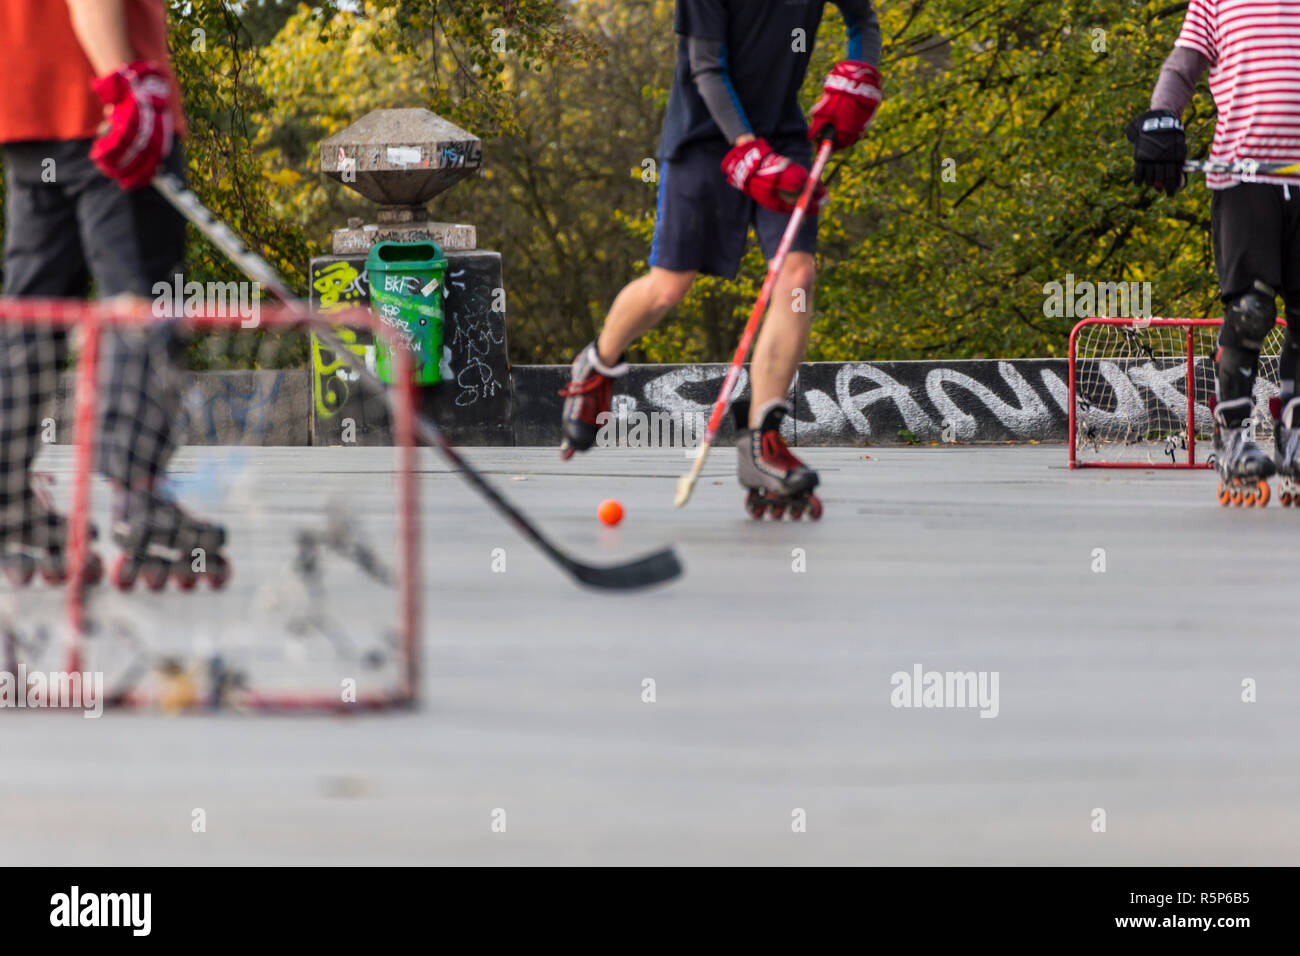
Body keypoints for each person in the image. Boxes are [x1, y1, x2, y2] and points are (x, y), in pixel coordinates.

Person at [559, 0, 882, 515]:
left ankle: (761, 441)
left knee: (797, 274)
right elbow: (705, 65)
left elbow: (861, 18)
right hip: (705, 137)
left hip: (784, 136)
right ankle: (597, 364)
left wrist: (862, 72)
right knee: (669, 285)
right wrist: (746, 149)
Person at [0, 0, 226, 587]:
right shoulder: (116, 86)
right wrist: (124, 83)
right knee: (142, 300)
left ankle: (4, 494)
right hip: (106, 99)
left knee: (36, 307)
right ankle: (139, 497)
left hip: (30, 102)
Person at [1127, 1, 1300, 504]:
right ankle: (1232, 438)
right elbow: (1183, 67)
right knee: (1251, 310)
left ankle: (1294, 433)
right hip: (1244, 175)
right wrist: (1162, 119)